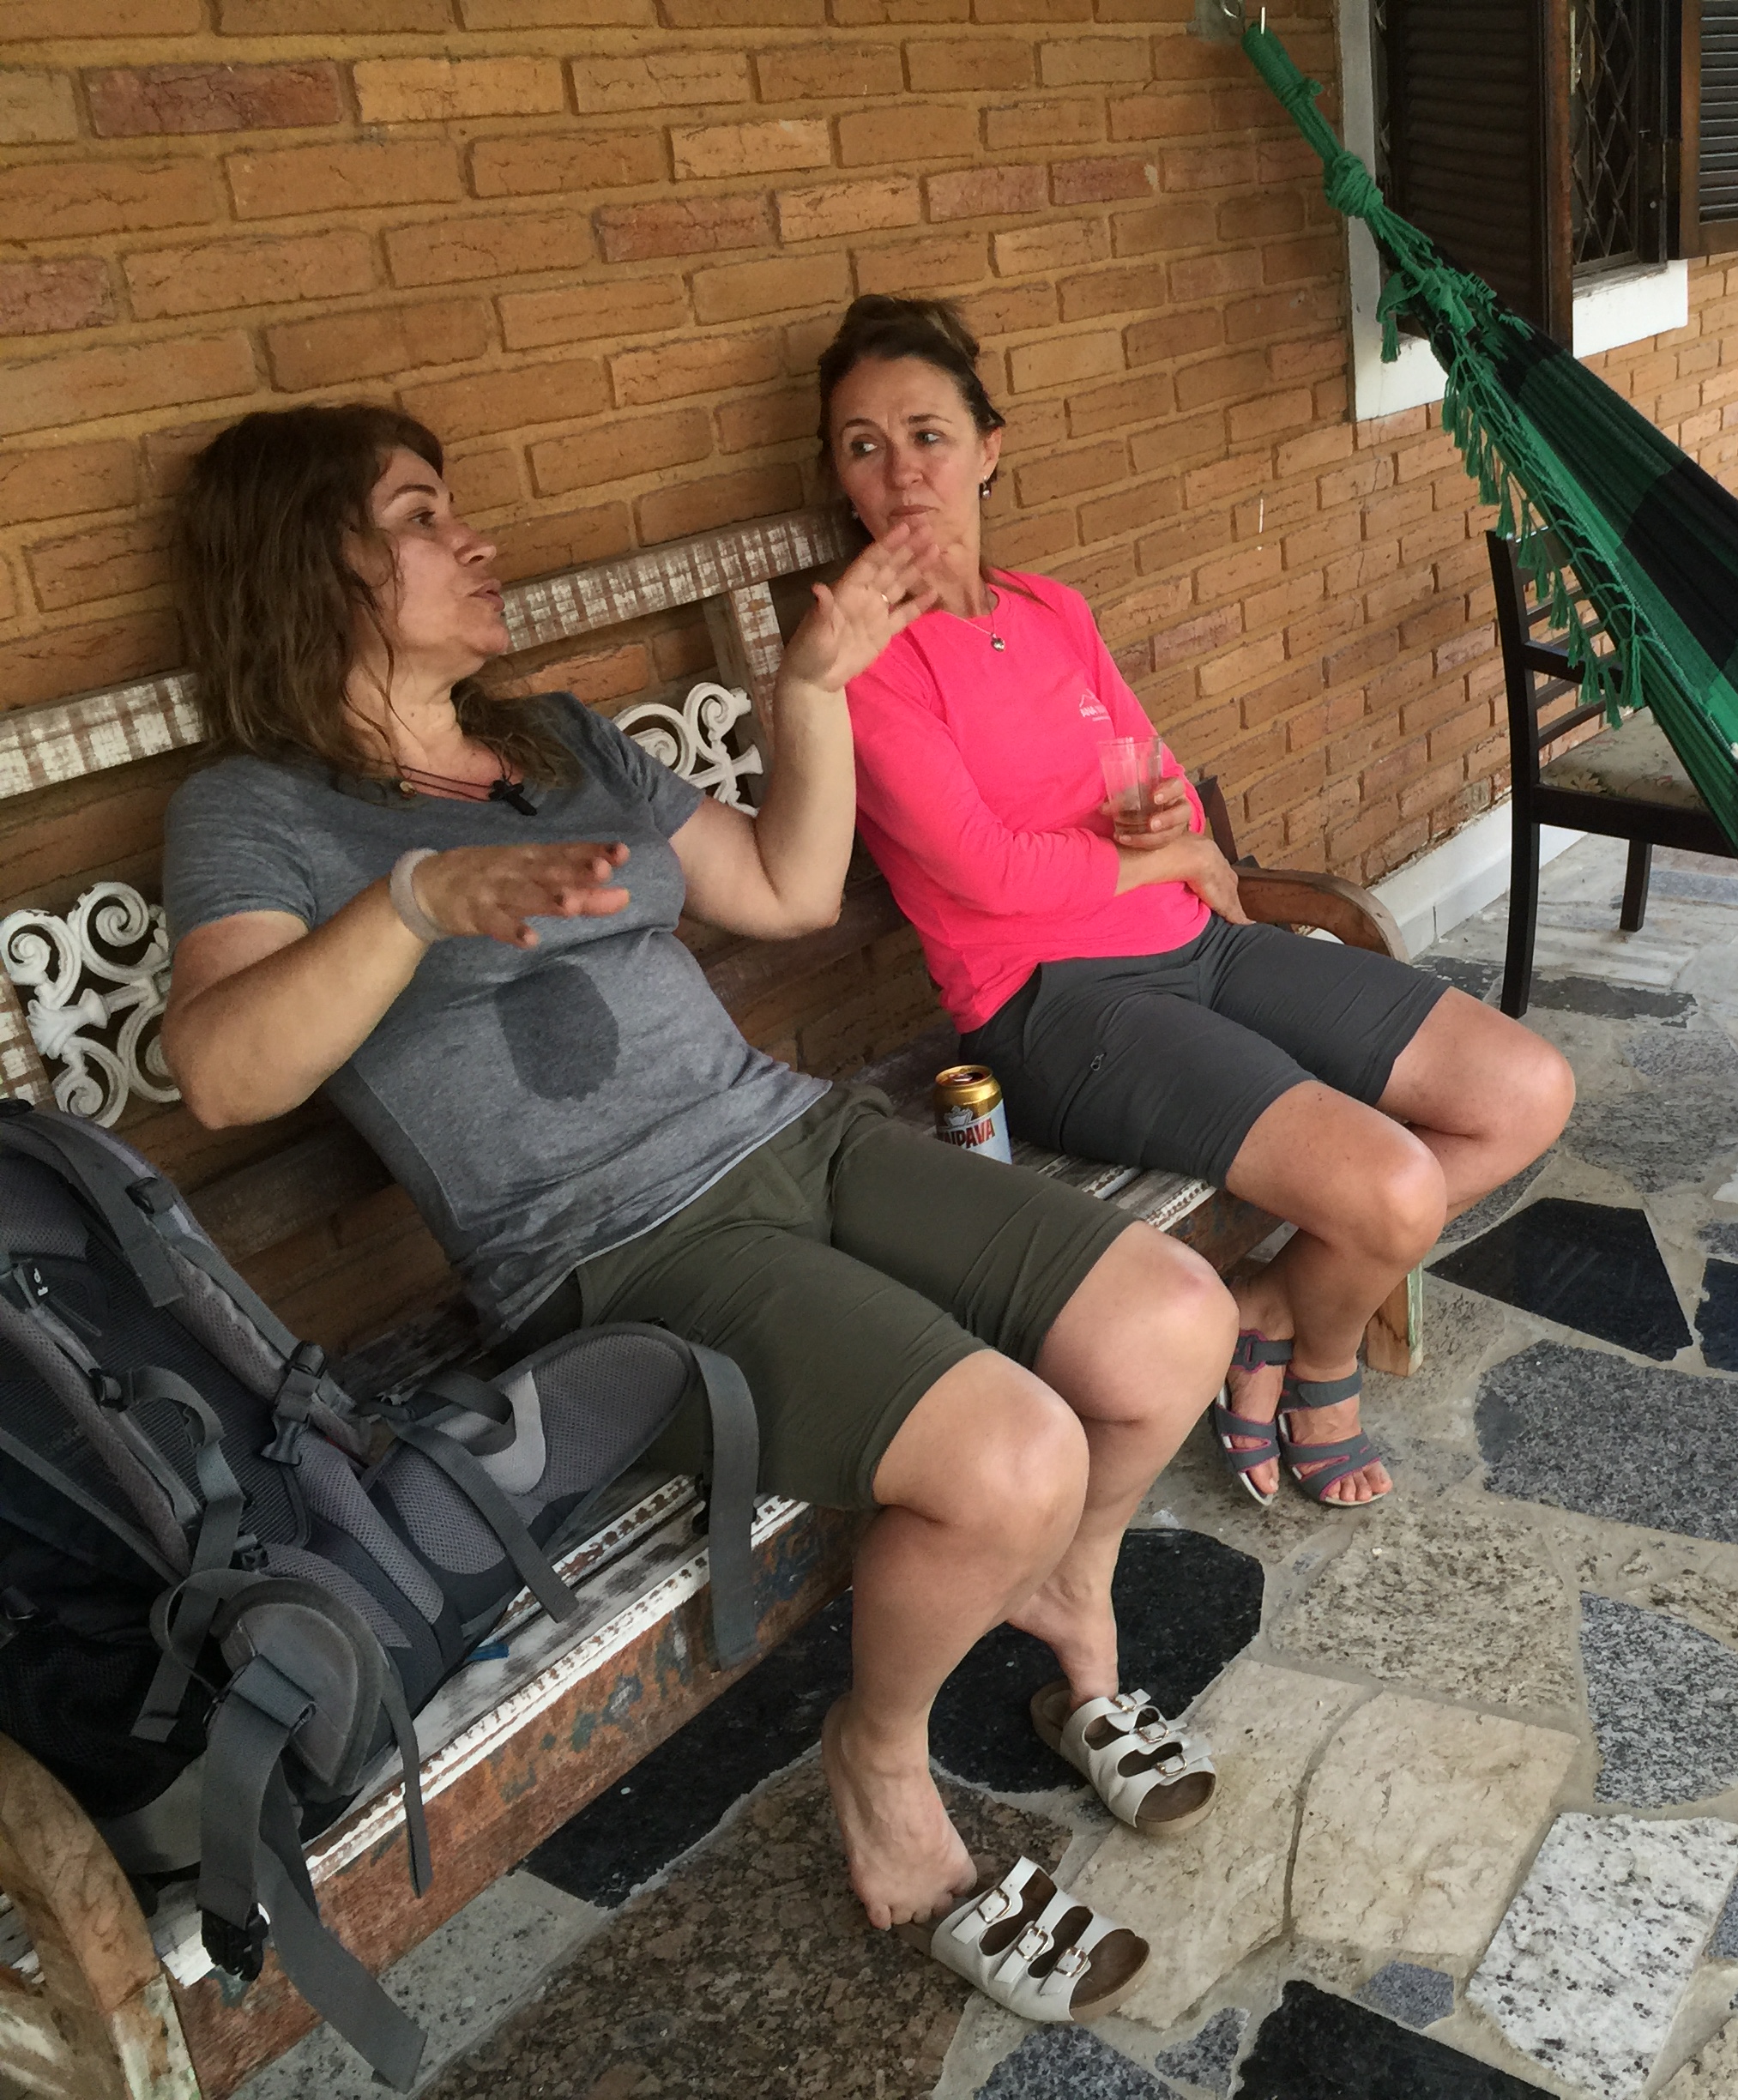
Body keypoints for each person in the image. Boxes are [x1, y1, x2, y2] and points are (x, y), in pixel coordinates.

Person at [159, 403, 1235, 2020]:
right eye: (422, 514)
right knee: (1013, 1455)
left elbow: (787, 891)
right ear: (310, 563)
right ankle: (881, 1760)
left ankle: (1063, 1590)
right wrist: (410, 902)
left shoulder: (556, 741)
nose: (476, 540)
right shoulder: (259, 811)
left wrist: (810, 690)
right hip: (616, 1248)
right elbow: (222, 1075)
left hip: (788, 1129)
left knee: (1173, 1323)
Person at [817, 294, 1577, 1509]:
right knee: (1391, 1189)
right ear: (842, 481)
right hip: (1055, 1006)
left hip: (1194, 943)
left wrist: (1176, 834)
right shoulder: (861, 666)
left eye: (928, 434)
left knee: (1525, 1091)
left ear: (989, 450)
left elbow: (1151, 766)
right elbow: (985, 874)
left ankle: (1269, 1305)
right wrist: (1153, 860)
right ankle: (1322, 1364)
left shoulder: (1049, 609)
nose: (902, 471)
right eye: (864, 446)